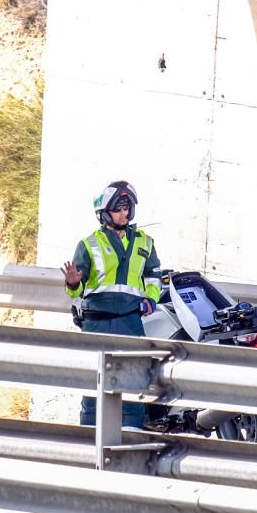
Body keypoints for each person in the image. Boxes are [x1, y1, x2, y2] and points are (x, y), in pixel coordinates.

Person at [62, 180, 161, 428]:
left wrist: (151, 299)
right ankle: (88, 440)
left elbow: (154, 277)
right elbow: (77, 291)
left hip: (130, 322)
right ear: (105, 211)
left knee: (133, 388)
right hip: (96, 326)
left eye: (128, 207)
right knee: (93, 389)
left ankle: (131, 441)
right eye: (119, 207)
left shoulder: (145, 242)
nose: (125, 212)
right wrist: (73, 283)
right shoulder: (88, 244)